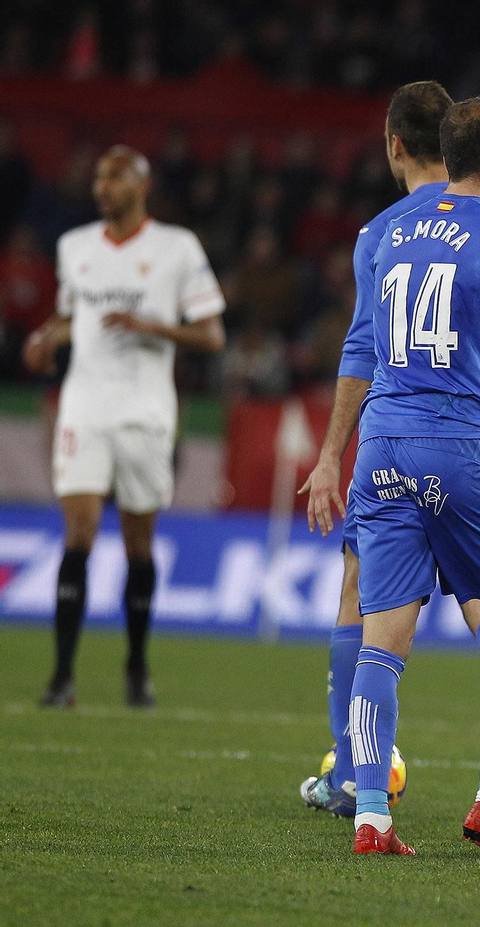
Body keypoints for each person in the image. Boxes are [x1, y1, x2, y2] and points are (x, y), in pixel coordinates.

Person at [295, 81, 480, 838]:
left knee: (382, 634)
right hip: (465, 444)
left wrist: (332, 455)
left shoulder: (384, 230)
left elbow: (362, 344)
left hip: (382, 445)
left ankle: (371, 811)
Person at [24, 146, 225, 709]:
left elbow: (212, 335)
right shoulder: (75, 247)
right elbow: (75, 317)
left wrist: (150, 326)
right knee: (79, 534)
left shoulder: (176, 248)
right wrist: (47, 336)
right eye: (98, 178)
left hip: (145, 411)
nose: (101, 187)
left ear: (141, 184)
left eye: (113, 177)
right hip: (84, 406)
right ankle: (62, 677)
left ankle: (136, 665)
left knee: (139, 542)